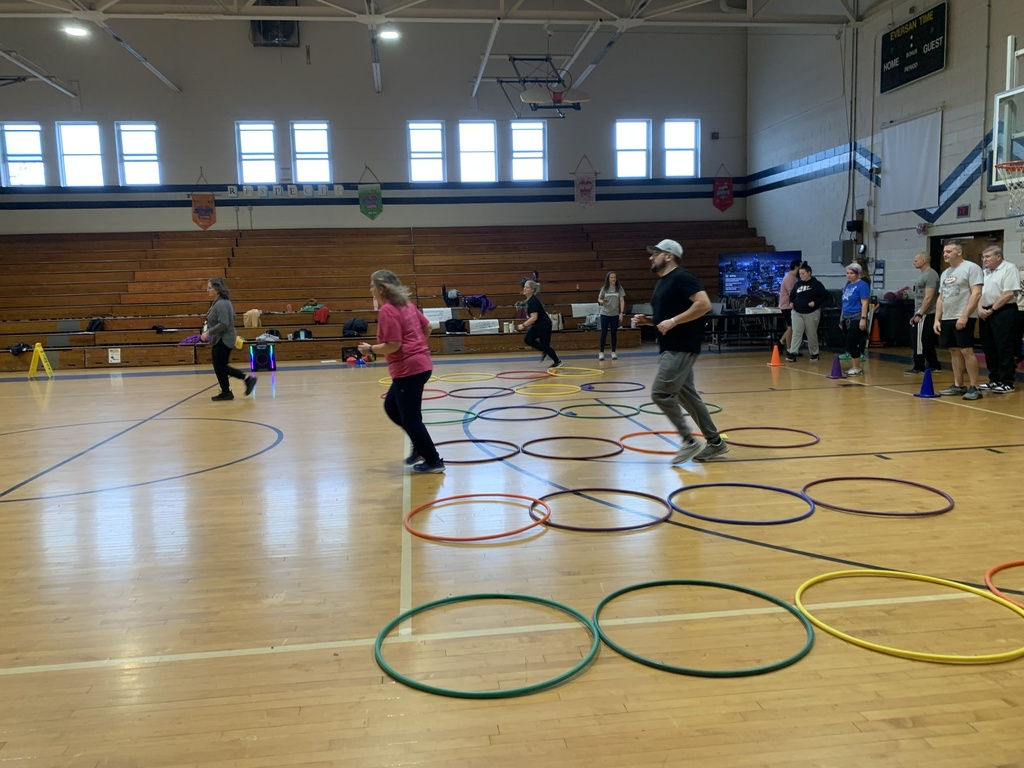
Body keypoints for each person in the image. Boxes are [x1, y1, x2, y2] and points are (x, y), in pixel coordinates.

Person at [632, 238, 728, 464]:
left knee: (660, 394)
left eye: (655, 253)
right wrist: (649, 321)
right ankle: (716, 443)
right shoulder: (663, 282)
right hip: (671, 346)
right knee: (689, 398)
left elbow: (703, 305)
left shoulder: (682, 277)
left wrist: (673, 321)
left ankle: (689, 441)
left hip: (681, 347)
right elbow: (668, 314)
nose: (650, 257)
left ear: (669, 256)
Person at [357, 270, 445, 474]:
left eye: (372, 286)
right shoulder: (407, 305)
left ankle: (433, 460)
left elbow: (393, 345)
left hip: (409, 370)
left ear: (381, 289)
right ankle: (420, 446)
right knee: (392, 407)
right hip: (419, 366)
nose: (370, 290)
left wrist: (370, 349)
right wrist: (419, 346)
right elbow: (428, 327)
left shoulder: (388, 310)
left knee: (411, 419)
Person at [933, 241, 984, 400]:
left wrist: (965, 315)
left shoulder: (971, 268)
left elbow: (976, 293)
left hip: (963, 316)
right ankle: (958, 385)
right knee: (954, 351)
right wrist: (937, 319)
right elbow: (941, 297)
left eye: (949, 251)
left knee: (966, 351)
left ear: (959, 252)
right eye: (944, 252)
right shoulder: (945, 273)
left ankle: (975, 386)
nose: (945, 254)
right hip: (948, 317)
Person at [201, 277, 256, 401]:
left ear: (217, 289)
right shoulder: (219, 301)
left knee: (221, 366)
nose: (207, 290)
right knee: (218, 366)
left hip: (224, 339)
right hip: (219, 338)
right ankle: (226, 392)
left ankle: (247, 379)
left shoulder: (221, 303)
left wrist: (209, 332)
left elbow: (225, 323)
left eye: (210, 288)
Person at [977, 246, 1019, 393]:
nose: (984, 260)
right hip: (985, 312)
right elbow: (978, 292)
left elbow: (1008, 293)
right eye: (983, 257)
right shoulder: (984, 273)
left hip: (1003, 311)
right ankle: (993, 379)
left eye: (987, 257)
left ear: (999, 257)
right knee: (989, 347)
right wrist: (980, 308)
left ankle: (1007, 381)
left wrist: (993, 309)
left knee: (1004, 347)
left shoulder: (1009, 268)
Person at [905, 252, 941, 375]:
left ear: (924, 260)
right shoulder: (923, 275)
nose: (914, 262)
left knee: (919, 340)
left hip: (927, 313)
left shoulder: (930, 275)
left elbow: (929, 297)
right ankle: (933, 364)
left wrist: (920, 314)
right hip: (921, 312)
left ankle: (919, 366)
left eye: (916, 260)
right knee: (924, 340)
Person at [786, 262, 829, 362]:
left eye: (803, 274)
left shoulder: (816, 284)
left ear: (809, 273)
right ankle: (793, 352)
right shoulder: (798, 284)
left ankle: (814, 353)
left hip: (811, 312)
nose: (801, 276)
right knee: (796, 332)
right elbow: (792, 295)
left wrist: (815, 302)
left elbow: (824, 296)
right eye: (800, 274)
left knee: (811, 333)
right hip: (797, 312)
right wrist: (791, 302)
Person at [517, 279, 562, 368]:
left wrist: (523, 325)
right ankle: (543, 349)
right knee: (528, 339)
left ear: (532, 290)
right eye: (524, 287)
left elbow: (534, 317)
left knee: (545, 345)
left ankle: (557, 361)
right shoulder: (529, 300)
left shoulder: (533, 301)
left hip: (544, 325)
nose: (524, 289)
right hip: (538, 324)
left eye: (527, 287)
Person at [839, 263, 871, 376]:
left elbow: (864, 303)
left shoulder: (862, 285)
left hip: (856, 317)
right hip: (846, 317)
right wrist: (841, 318)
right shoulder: (848, 286)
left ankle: (856, 367)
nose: (849, 275)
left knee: (853, 342)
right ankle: (854, 366)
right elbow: (844, 303)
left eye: (852, 273)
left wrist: (863, 318)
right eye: (847, 273)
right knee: (848, 343)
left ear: (858, 274)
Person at [597, 271, 625, 361]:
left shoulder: (619, 288)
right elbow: (599, 298)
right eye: (611, 277)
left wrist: (621, 313)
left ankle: (613, 352)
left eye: (614, 277)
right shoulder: (604, 288)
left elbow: (622, 301)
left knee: (614, 333)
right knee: (604, 333)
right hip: (605, 313)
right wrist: (602, 301)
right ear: (608, 279)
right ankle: (601, 352)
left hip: (614, 314)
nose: (613, 279)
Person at [777, 258, 801, 355]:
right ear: (796, 267)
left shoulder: (793, 277)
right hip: (787, 306)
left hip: (787, 305)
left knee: (791, 327)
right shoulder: (790, 278)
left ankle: (781, 342)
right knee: (791, 327)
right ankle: (789, 349)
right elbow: (792, 293)